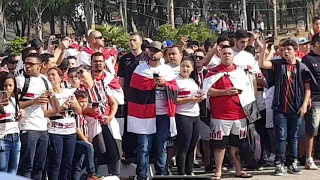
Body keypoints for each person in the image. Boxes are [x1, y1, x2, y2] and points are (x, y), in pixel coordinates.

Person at [259, 39, 314, 176]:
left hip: (296, 107)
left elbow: (308, 87)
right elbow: (262, 64)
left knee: (293, 137)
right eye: (282, 50)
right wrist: (264, 47)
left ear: (295, 51)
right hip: (280, 107)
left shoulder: (301, 67)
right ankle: (280, 163)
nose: (285, 52)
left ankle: (292, 162)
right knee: (281, 137)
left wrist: (304, 104)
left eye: (288, 49)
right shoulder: (278, 64)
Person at [127, 41, 178, 180]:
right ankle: (141, 175)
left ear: (162, 53)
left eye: (156, 50)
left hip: (163, 115)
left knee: (161, 146)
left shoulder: (167, 70)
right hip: (144, 115)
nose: (152, 53)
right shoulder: (140, 70)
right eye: (150, 50)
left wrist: (165, 84)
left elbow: (175, 91)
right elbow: (134, 93)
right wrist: (150, 85)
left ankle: (161, 174)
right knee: (144, 147)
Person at [203, 45, 255, 179]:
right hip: (220, 115)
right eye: (224, 53)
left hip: (239, 115)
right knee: (219, 145)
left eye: (229, 53)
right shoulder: (212, 73)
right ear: (220, 55)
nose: (226, 55)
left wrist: (251, 112)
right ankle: (218, 172)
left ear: (233, 56)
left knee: (237, 145)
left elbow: (248, 92)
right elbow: (207, 91)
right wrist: (224, 92)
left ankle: (239, 170)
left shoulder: (240, 72)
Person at [16, 53, 59, 179]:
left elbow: (56, 108)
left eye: (31, 64)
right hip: (27, 127)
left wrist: (52, 96)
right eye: (26, 63)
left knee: (40, 166)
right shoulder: (21, 80)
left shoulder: (44, 80)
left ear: (40, 66)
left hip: (42, 129)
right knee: (26, 166)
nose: (27, 66)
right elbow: (14, 105)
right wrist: (33, 101)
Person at [77, 65, 120, 176]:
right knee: (97, 150)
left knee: (113, 150)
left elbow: (114, 102)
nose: (80, 74)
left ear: (89, 72)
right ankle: (93, 175)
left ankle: (115, 175)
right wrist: (89, 110)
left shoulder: (102, 85)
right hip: (90, 122)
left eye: (82, 71)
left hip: (106, 121)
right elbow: (78, 109)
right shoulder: (79, 90)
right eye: (78, 73)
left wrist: (110, 116)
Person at [45, 67, 81, 180]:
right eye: (49, 75)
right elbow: (44, 113)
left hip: (70, 131)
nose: (51, 77)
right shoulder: (47, 94)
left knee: (67, 163)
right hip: (55, 131)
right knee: (56, 162)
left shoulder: (68, 92)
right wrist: (61, 107)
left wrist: (75, 105)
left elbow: (79, 111)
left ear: (61, 78)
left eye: (53, 75)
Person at [117, 32, 148, 164]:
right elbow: (121, 78)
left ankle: (143, 153)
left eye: (134, 40)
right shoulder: (125, 59)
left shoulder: (146, 57)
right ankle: (129, 153)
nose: (131, 43)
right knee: (129, 126)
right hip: (129, 98)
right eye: (130, 40)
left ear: (140, 42)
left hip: (145, 99)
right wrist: (122, 95)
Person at [175, 55, 202, 175]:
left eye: (187, 67)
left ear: (192, 68)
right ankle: (181, 173)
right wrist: (190, 99)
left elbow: (196, 96)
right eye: (183, 66)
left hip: (195, 115)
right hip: (182, 115)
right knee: (183, 146)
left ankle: (189, 171)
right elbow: (174, 100)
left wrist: (200, 97)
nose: (185, 69)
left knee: (192, 145)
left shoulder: (192, 80)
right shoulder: (176, 80)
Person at [72, 90, 102, 180]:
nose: (84, 104)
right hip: (77, 140)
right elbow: (77, 129)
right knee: (88, 148)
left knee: (77, 165)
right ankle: (91, 174)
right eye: (81, 102)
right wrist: (87, 142)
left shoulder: (82, 114)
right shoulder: (76, 113)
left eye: (86, 101)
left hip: (82, 141)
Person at [0, 71, 24, 174]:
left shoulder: (14, 101)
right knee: (3, 172)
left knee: (13, 172)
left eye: (10, 85)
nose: (8, 88)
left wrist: (21, 116)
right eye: (5, 85)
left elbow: (17, 123)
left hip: (16, 137)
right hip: (3, 138)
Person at [302, 33, 320, 170]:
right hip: (314, 99)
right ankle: (308, 158)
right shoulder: (307, 59)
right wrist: (306, 99)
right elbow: (304, 82)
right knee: (312, 129)